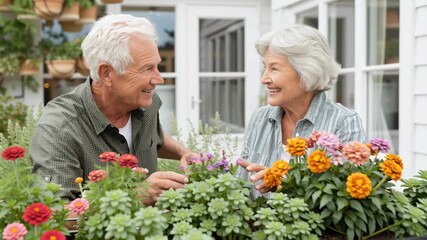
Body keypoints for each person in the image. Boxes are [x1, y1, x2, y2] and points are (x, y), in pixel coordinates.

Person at [30, 13, 195, 206]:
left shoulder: (145, 102)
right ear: (106, 74)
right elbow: (55, 215)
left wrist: (184, 153)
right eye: (147, 69)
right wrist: (135, 197)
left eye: (157, 66)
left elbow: (154, 137)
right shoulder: (59, 129)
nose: (159, 79)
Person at [237, 25, 366, 195]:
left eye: (274, 68)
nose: (264, 79)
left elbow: (345, 200)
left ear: (307, 71)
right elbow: (239, 185)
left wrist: (286, 186)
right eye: (265, 68)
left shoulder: (343, 122)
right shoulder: (260, 118)